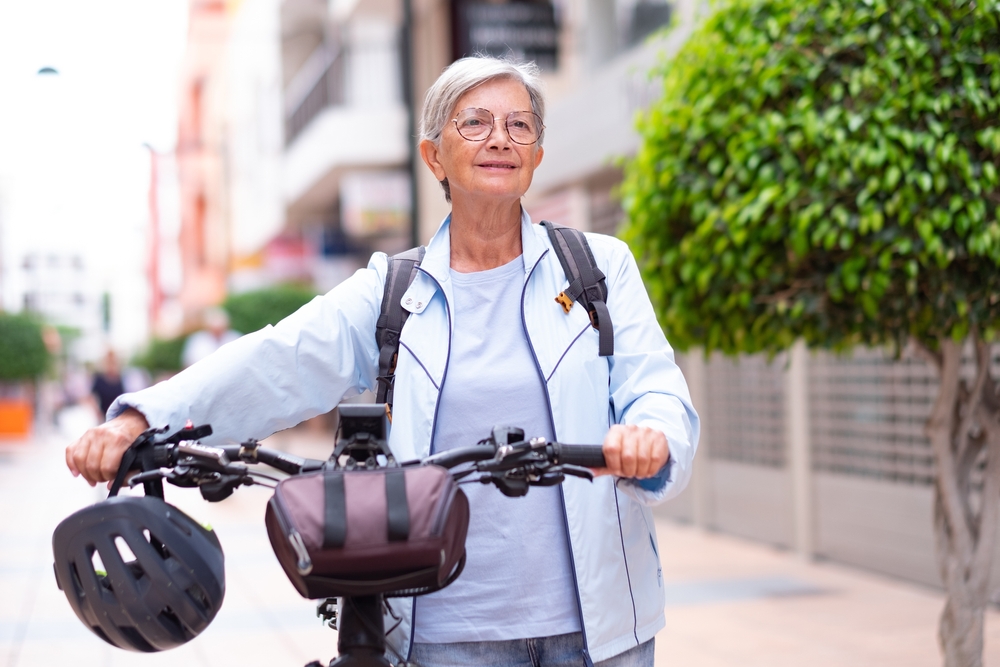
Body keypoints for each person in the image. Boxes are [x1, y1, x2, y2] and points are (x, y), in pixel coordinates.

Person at [65, 56, 699, 667]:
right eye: (473, 122)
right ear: (434, 156)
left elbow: (655, 389)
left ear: (536, 155)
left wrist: (652, 436)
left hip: (597, 631)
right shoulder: (393, 290)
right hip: (441, 632)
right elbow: (277, 359)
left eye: (519, 125)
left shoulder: (598, 268)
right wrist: (140, 420)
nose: (499, 138)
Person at [89, 350, 125, 422]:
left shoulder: (122, 379)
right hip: (104, 418)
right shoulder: (99, 379)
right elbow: (91, 397)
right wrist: (96, 411)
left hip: (120, 417)